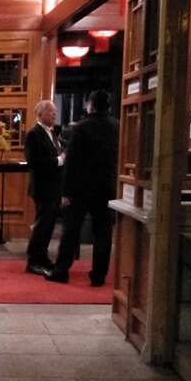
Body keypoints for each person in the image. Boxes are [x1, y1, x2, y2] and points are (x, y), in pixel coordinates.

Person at [46, 90, 119, 286]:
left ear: (91, 105)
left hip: (80, 188)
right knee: (103, 233)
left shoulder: (81, 127)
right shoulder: (117, 126)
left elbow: (72, 162)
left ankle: (61, 271)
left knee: (71, 231)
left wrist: (66, 192)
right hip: (106, 188)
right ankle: (99, 275)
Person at [24, 99, 66, 276]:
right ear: (40, 114)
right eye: (51, 112)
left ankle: (43, 257)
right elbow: (34, 162)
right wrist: (60, 160)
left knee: (49, 226)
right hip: (43, 187)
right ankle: (33, 260)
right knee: (42, 225)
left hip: (54, 187)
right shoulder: (33, 134)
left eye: (55, 112)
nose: (55, 115)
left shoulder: (53, 133)